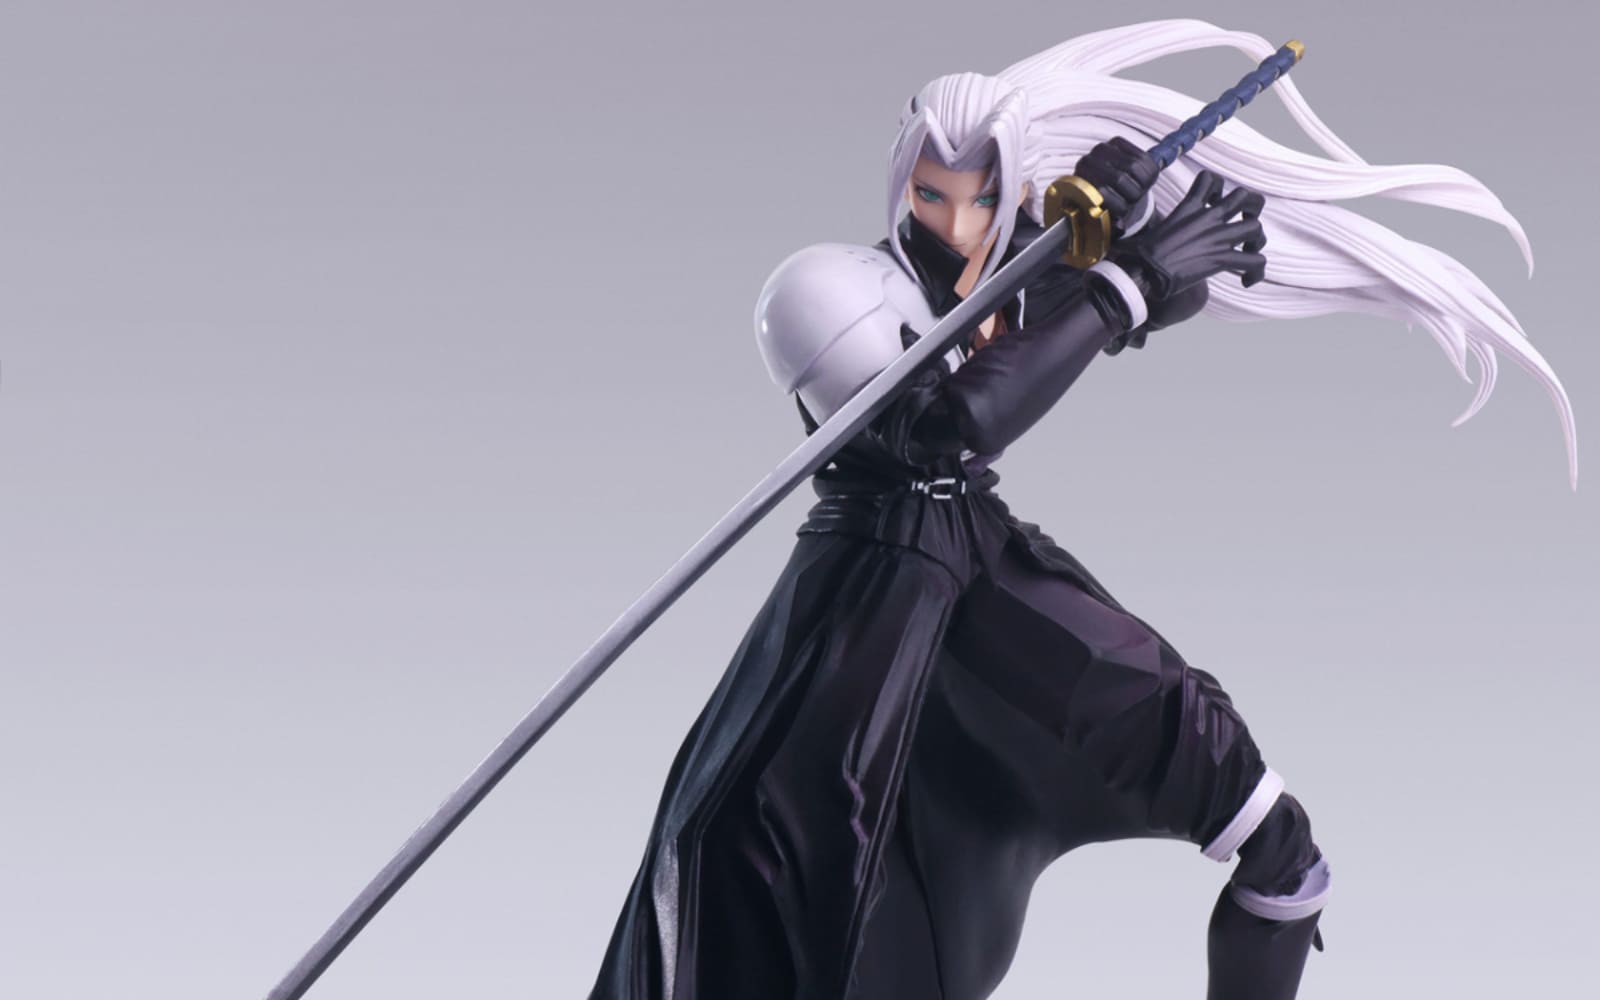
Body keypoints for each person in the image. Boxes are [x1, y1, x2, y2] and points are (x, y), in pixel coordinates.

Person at [588, 20, 1575, 1000]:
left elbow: (1069, 330)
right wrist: (1125, 284)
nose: (959, 224)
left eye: (984, 196)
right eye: (932, 194)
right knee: (798, 868)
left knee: (1266, 830)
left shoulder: (1018, 267)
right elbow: (944, 425)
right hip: (880, 585)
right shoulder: (834, 288)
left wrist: (1125, 258)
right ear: (900, 183)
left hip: (980, 562)